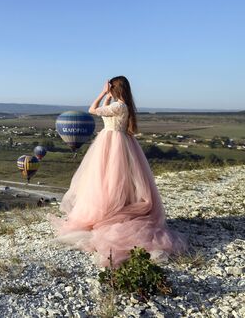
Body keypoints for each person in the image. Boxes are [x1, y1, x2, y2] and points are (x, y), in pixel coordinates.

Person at [49, 76, 186, 266]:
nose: (109, 91)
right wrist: (108, 95)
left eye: (111, 88)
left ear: (115, 89)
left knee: (109, 179)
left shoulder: (119, 106)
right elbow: (105, 112)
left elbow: (92, 110)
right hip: (117, 142)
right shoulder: (121, 105)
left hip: (111, 143)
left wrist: (103, 92)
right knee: (114, 179)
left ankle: (109, 211)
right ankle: (115, 208)